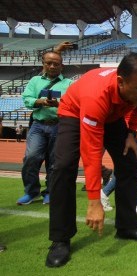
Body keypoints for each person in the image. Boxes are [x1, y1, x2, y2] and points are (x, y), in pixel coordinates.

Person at [46, 53, 137, 268]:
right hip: (75, 112)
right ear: (121, 82)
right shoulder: (95, 97)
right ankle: (60, 238)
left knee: (129, 160)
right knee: (63, 166)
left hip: (112, 116)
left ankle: (126, 227)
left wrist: (131, 133)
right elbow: (91, 152)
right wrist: (94, 201)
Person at [17, 51, 73, 205]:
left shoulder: (69, 83)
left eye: (56, 63)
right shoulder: (35, 81)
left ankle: (50, 192)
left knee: (54, 163)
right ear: (43, 64)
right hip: (38, 125)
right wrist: (40, 102)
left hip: (59, 125)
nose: (52, 66)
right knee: (31, 158)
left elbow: (73, 104)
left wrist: (58, 104)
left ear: (62, 66)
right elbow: (27, 99)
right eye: (49, 63)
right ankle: (31, 192)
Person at [100, 136, 137, 215]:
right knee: (131, 166)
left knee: (127, 167)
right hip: (131, 132)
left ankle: (104, 193)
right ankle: (136, 203)